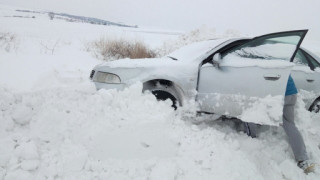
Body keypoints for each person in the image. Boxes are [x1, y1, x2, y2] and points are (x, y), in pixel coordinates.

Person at [245, 75, 315, 174]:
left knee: (250, 113)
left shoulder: (263, 62)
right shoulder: (278, 61)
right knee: (289, 124)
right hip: (292, 92)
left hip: (279, 94)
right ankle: (303, 159)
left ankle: (250, 139)